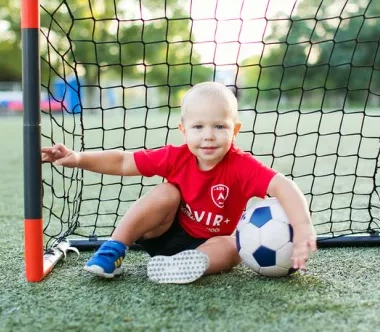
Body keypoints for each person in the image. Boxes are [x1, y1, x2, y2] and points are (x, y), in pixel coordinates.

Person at [41, 81, 317, 284]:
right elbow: (123, 162)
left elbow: (282, 186)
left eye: (219, 127)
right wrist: (77, 158)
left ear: (235, 130)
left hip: (207, 245)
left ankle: (179, 267)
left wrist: (302, 227)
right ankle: (113, 248)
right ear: (184, 130)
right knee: (166, 192)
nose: (208, 136)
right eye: (198, 127)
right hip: (164, 233)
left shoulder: (241, 166)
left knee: (234, 247)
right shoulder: (176, 157)